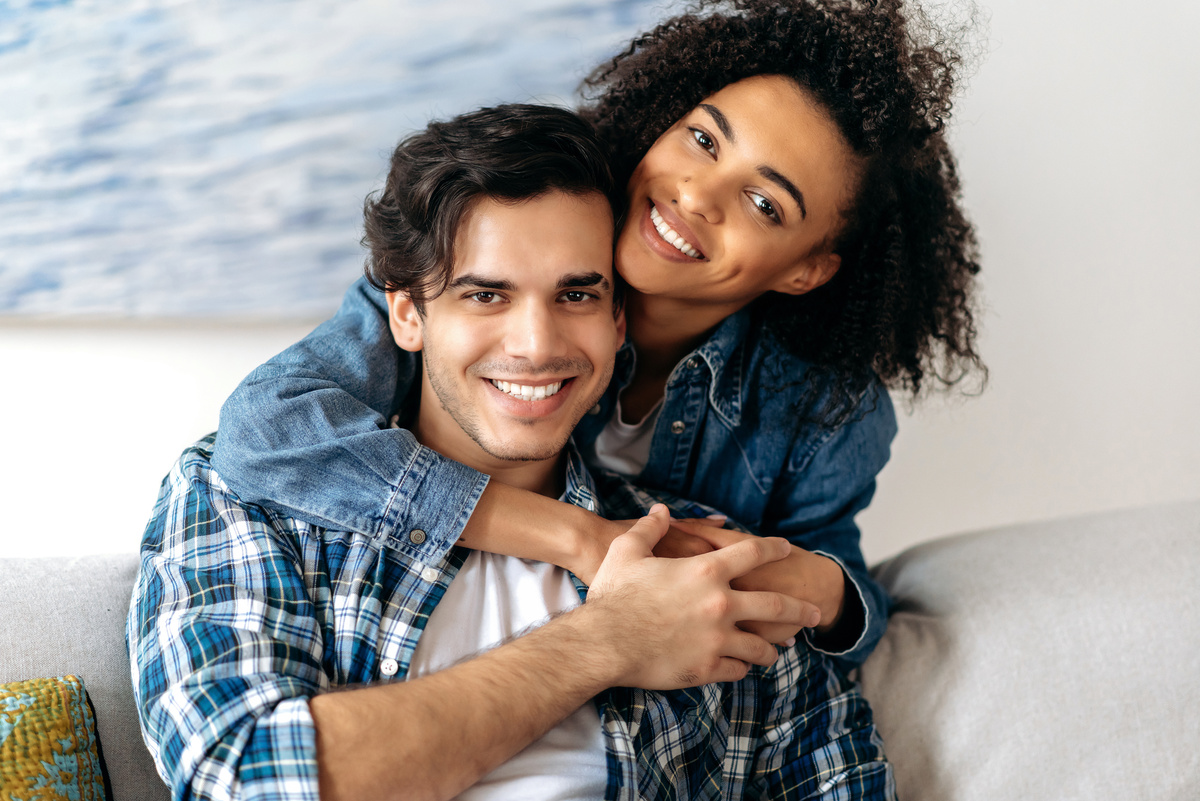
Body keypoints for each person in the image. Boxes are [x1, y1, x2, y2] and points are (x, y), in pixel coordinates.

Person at [127, 103, 894, 801]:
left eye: (577, 295)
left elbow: (836, 757)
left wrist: (814, 586)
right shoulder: (253, 496)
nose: (536, 345)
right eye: (485, 294)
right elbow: (243, 777)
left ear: (618, 320)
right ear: (406, 311)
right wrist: (608, 638)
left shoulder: (700, 560)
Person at [211, 0, 984, 674]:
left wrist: (818, 589)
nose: (696, 194)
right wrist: (583, 538)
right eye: (703, 141)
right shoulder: (481, 259)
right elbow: (265, 430)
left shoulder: (825, 413)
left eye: (764, 202)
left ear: (807, 270)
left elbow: (842, 594)